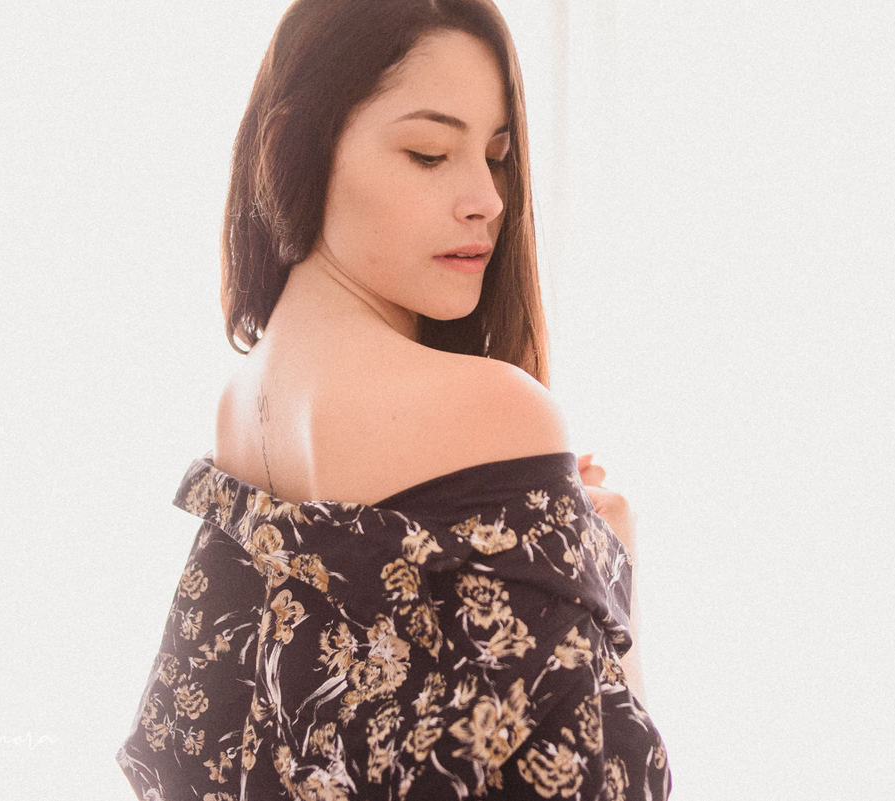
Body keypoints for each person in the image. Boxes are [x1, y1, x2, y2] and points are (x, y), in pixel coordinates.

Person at [116, 1, 671, 798]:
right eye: (428, 153)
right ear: (294, 148)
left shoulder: (239, 410)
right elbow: (608, 780)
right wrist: (611, 575)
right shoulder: (495, 411)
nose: (488, 198)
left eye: (496, 156)